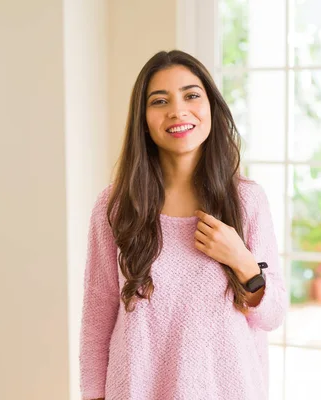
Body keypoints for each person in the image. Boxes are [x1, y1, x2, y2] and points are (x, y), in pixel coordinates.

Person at [79, 50, 287, 400]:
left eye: (191, 95)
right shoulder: (115, 207)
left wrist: (242, 260)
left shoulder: (247, 200)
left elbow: (274, 314)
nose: (177, 111)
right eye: (160, 101)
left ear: (211, 107)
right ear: (143, 119)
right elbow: (97, 316)